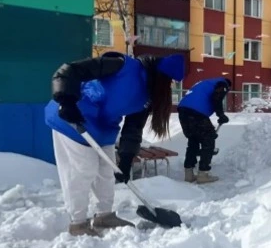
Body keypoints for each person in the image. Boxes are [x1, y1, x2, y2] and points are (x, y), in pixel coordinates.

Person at [45, 52, 185, 237]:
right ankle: (78, 223)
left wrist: (126, 159)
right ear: (159, 73)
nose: (169, 86)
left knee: (106, 173)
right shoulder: (121, 65)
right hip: (73, 119)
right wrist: (66, 100)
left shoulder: (148, 95)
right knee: (82, 171)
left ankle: (105, 216)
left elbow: (133, 129)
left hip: (104, 130)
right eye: (168, 81)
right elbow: (69, 70)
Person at [177, 77, 231, 183]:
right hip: (196, 113)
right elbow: (217, 97)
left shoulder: (205, 83)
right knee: (209, 140)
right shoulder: (222, 84)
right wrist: (221, 115)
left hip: (183, 111)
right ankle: (203, 174)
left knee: (193, 141)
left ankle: (189, 174)